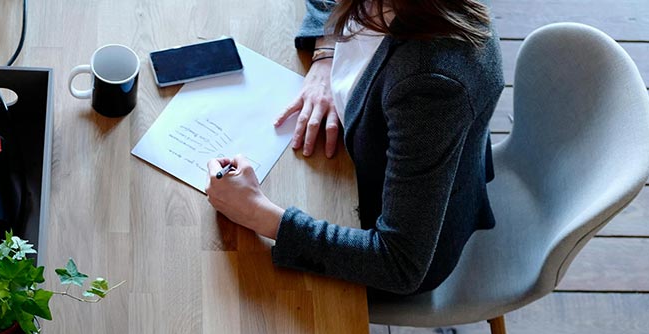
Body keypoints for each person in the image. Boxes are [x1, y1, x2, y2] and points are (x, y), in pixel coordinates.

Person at [204, 0, 504, 297]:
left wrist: (258, 213)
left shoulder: (430, 84)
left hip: (387, 242)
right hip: (369, 168)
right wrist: (326, 55)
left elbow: (399, 264)